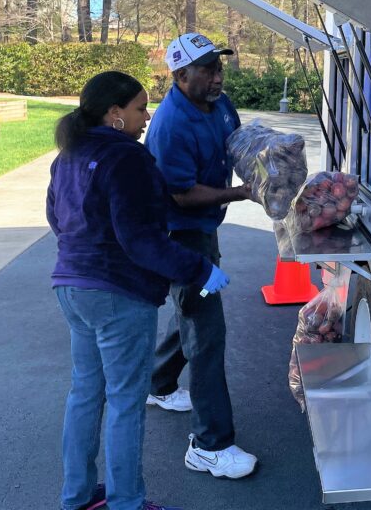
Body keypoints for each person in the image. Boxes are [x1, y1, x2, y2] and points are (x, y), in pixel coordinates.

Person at [48, 71, 232, 510]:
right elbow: (141, 239)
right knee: (127, 403)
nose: (146, 117)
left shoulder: (68, 155)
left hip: (72, 287)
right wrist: (199, 269)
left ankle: (76, 497)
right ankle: (126, 501)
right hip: (117, 293)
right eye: (139, 108)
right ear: (115, 113)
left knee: (85, 393)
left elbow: (57, 220)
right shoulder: (127, 158)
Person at [143, 33, 258, 480]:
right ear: (180, 74)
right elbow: (183, 194)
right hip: (181, 234)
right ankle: (210, 444)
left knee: (191, 313)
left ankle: (158, 381)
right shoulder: (171, 124)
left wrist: (268, 162)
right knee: (207, 333)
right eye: (206, 69)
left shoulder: (221, 102)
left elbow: (239, 143)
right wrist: (242, 192)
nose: (216, 76)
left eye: (219, 67)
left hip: (206, 227)